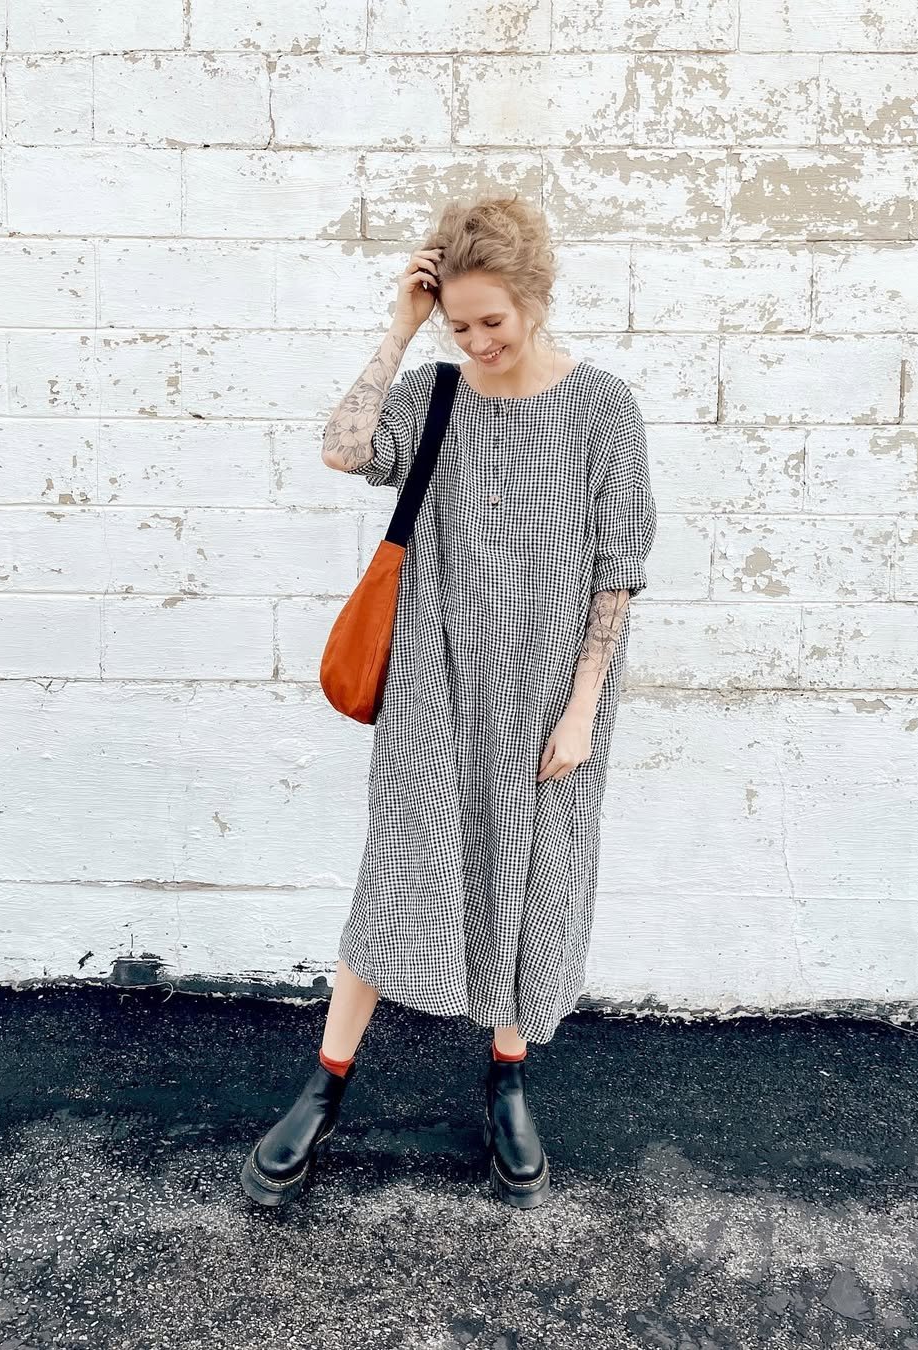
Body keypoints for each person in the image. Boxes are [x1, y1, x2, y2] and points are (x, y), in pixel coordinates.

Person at [241, 192, 657, 1211]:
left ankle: (507, 1077)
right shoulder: (433, 393)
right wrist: (399, 327)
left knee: (532, 878)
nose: (476, 341)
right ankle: (325, 1084)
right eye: (458, 323)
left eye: (491, 322)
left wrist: (581, 706)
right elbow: (343, 447)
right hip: (434, 676)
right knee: (397, 873)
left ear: (535, 298)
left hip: (551, 691)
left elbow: (619, 566)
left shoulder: (604, 408)